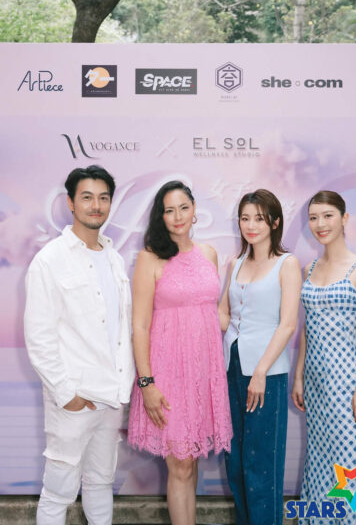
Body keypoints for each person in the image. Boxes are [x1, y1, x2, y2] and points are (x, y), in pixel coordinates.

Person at [24, 165, 135, 525]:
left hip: (111, 395)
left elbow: (120, 330)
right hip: (74, 397)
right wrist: (66, 393)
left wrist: (124, 386)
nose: (96, 205)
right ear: (71, 203)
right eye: (87, 197)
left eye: (103, 198)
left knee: (100, 482)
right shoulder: (50, 260)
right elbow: (39, 336)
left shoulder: (115, 258)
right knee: (58, 490)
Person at [127, 180, 232, 525]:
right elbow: (140, 325)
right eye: (169, 210)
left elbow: (211, 314)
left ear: (194, 209)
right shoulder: (149, 258)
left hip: (203, 373)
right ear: (160, 216)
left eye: (183, 208)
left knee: (191, 462)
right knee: (181, 464)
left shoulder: (209, 254)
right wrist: (147, 383)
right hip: (167, 375)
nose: (177, 216)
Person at [292, 190, 356, 524]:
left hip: (350, 385)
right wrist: (299, 376)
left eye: (328, 215)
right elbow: (307, 327)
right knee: (322, 463)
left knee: (352, 467)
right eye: (313, 217)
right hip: (317, 386)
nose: (320, 224)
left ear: (344, 218)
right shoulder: (309, 269)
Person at [219, 189, 302, 525]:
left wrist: (260, 372)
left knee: (261, 462)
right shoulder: (235, 263)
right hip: (231, 366)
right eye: (245, 218)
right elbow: (224, 315)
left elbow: (288, 324)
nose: (250, 225)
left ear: (275, 222)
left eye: (259, 218)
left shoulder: (287, 264)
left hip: (267, 373)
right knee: (236, 461)